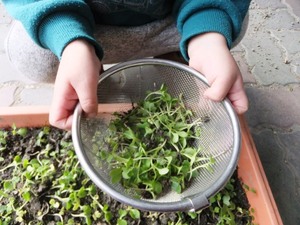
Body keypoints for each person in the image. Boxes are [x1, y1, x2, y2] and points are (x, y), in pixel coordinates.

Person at [2, 0, 251, 130]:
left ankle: (181, 57)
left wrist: (207, 31)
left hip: (169, 23)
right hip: (88, 28)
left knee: (223, 28)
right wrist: (68, 39)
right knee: (32, 54)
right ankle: (85, 68)